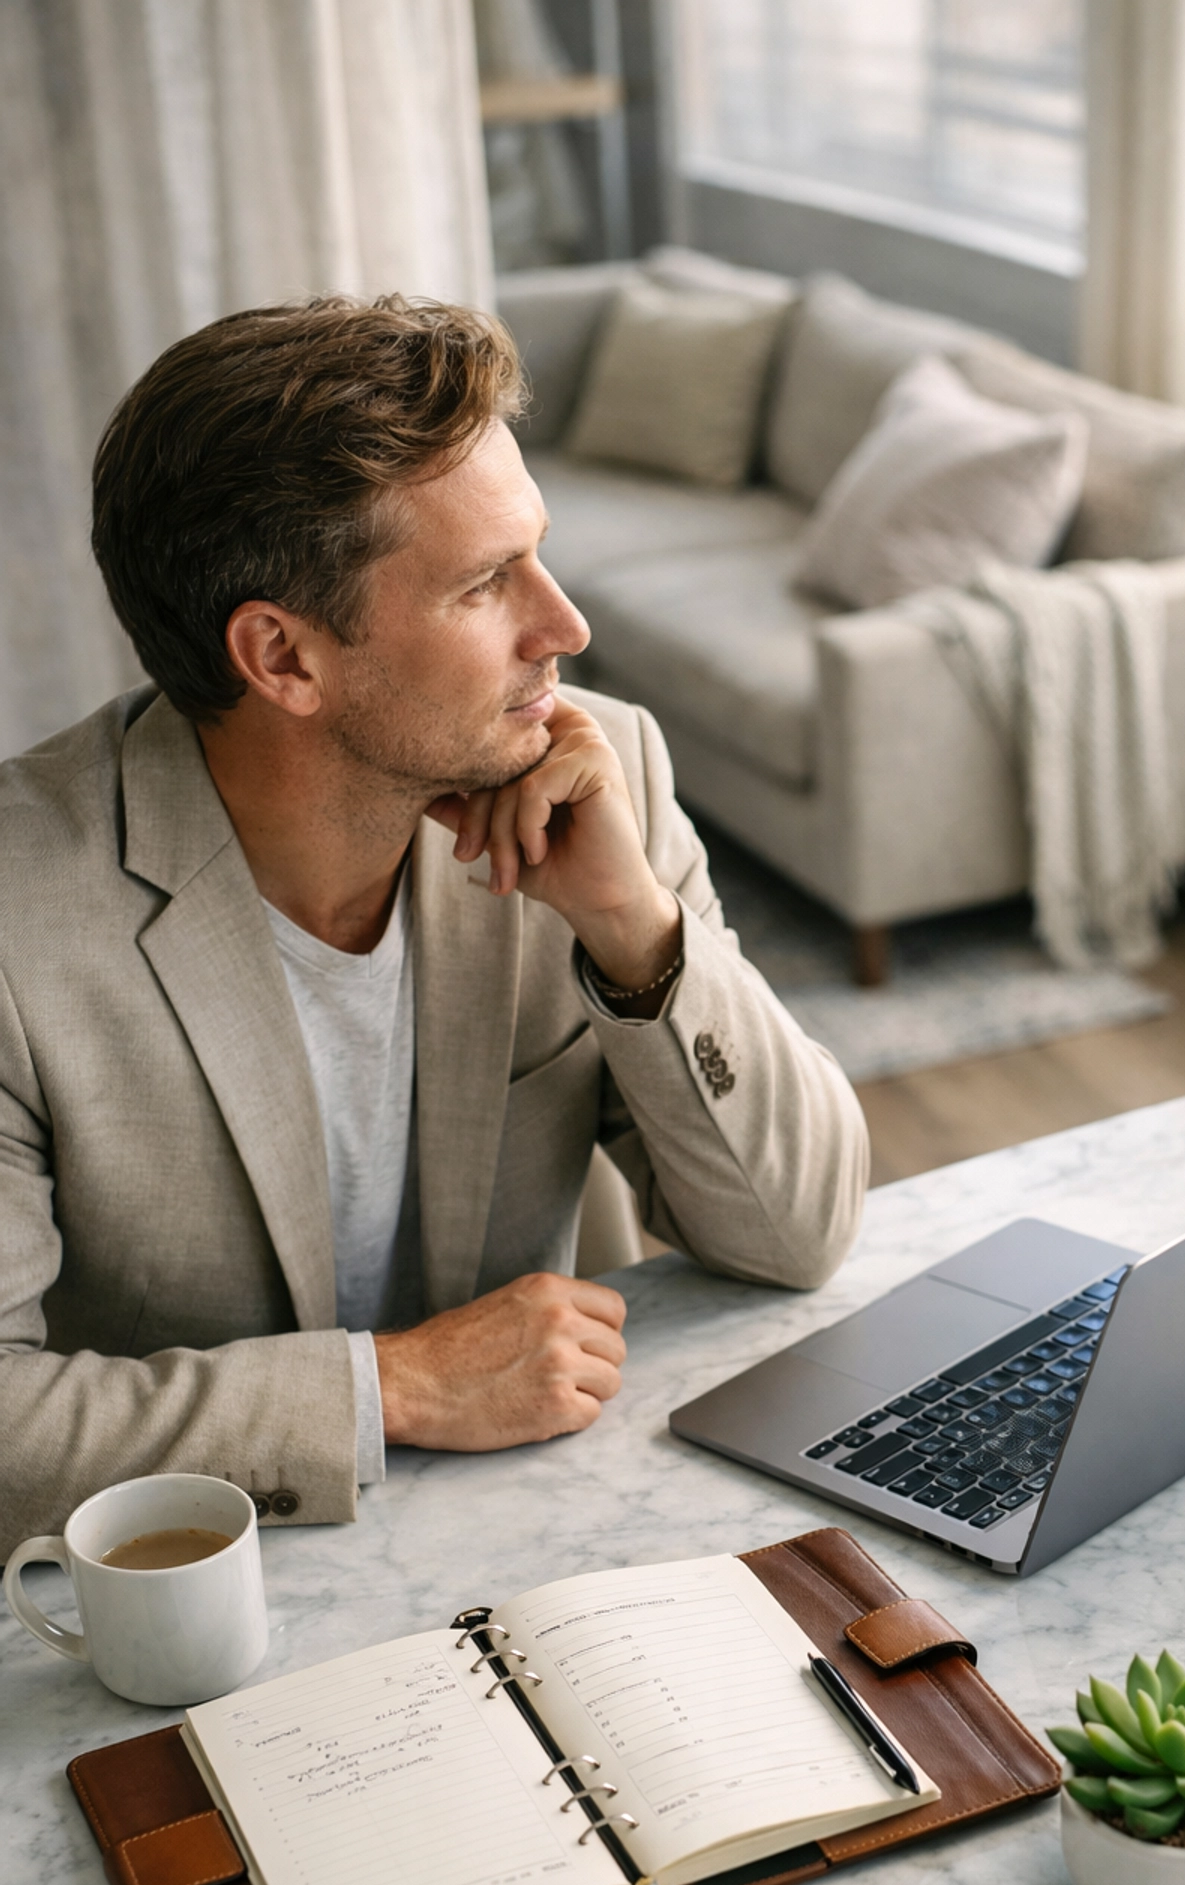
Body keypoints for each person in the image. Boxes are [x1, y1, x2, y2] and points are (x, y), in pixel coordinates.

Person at [0, 295, 867, 1555]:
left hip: (561, 1531)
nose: (566, 627)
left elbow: (800, 1235)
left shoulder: (595, 769)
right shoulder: (23, 927)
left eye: (539, 552)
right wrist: (391, 1386)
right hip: (194, 1602)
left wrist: (634, 930)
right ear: (282, 659)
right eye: (483, 585)